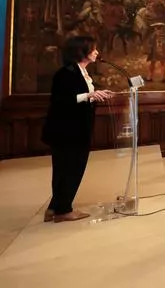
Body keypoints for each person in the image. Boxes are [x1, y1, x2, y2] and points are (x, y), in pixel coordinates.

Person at [42, 36, 112, 223]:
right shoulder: (66, 73)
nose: (97, 52)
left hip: (76, 129)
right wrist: (89, 95)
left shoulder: (82, 72)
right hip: (67, 131)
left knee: (64, 168)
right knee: (70, 168)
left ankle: (54, 208)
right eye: (93, 49)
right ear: (82, 51)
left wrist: (95, 95)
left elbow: (80, 96)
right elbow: (61, 101)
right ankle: (63, 210)